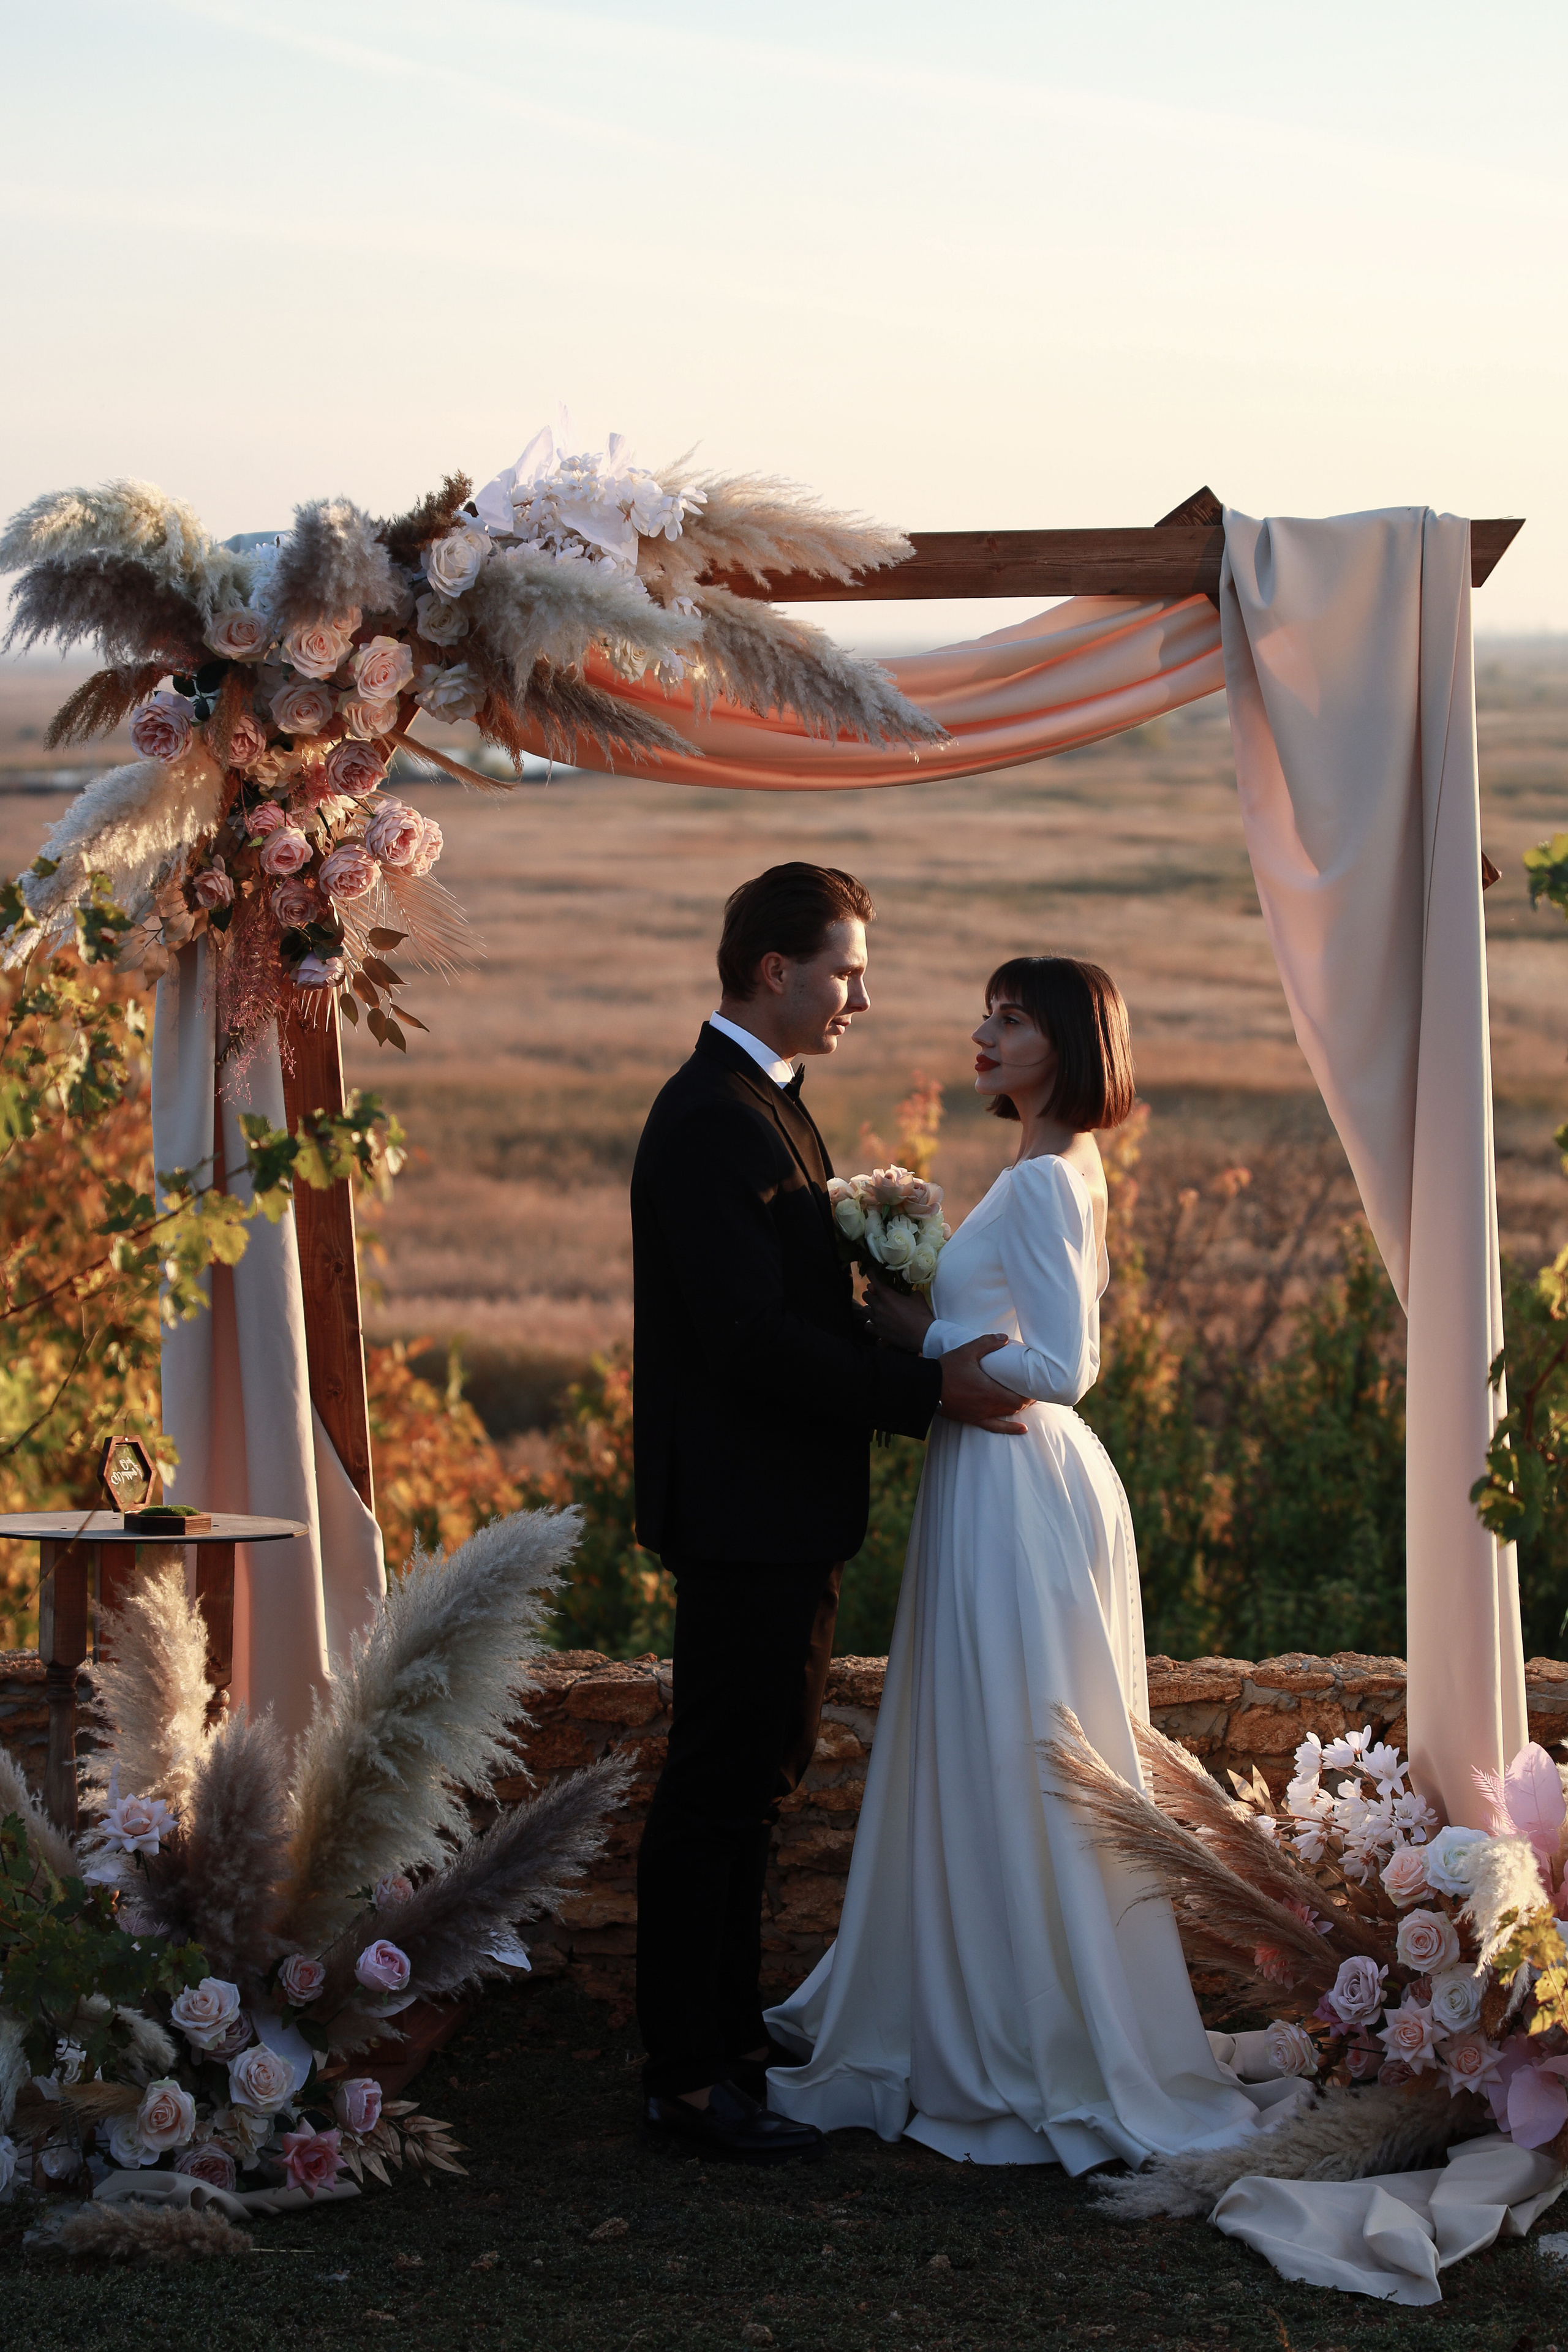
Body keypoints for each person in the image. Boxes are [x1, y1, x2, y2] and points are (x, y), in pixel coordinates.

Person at [764, 956, 1261, 2168]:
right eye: (987, 1013)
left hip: (1015, 1476)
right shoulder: (1047, 1164)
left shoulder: (1045, 1178)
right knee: (995, 1738)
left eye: (1014, 1019)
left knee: (1016, 1744)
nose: (984, 1034)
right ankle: (986, 2002)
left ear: (1070, 1044)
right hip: (996, 1474)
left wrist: (918, 1332)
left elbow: (1066, 1367)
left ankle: (1021, 2031)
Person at [631, 864, 1032, 2163]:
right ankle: (689, 2079)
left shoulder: (764, 1105)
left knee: (757, 1781)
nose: (862, 996)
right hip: (744, 1508)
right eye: (845, 971)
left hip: (779, 1508)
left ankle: (730, 2046)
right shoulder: (714, 1120)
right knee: (719, 1788)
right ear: (774, 971)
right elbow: (747, 1338)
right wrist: (924, 1389)